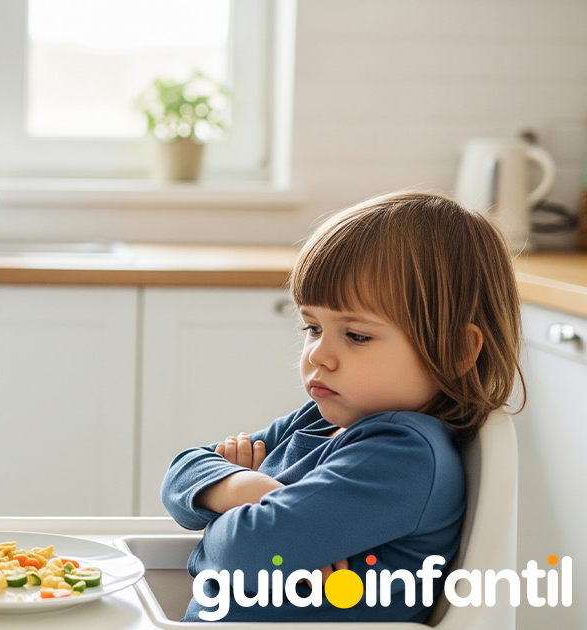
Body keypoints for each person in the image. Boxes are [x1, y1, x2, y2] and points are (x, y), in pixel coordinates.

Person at [160, 191, 524, 622]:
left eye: (356, 336)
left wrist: (227, 510)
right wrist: (250, 490)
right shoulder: (319, 418)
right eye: (312, 327)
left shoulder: (402, 456)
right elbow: (181, 474)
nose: (317, 355)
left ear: (456, 350)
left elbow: (243, 553)